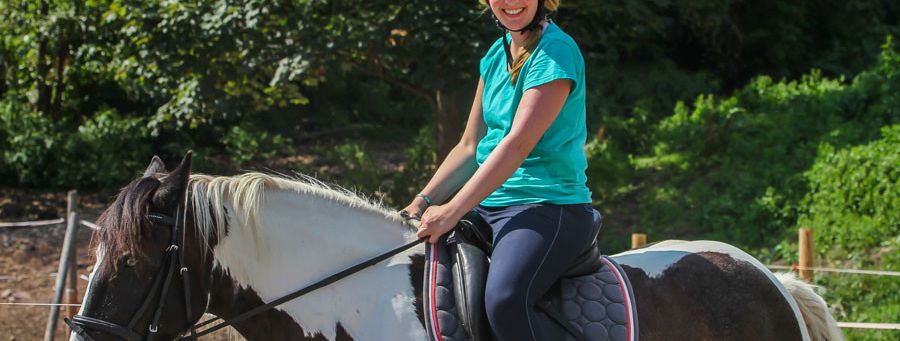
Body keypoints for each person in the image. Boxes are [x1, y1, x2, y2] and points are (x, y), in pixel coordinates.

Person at [400, 0, 598, 339]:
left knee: (505, 300)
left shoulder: (556, 52)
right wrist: (420, 201)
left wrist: (451, 210)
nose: (510, 3)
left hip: (548, 206)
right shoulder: (496, 54)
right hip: (487, 207)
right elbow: (469, 146)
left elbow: (517, 145)